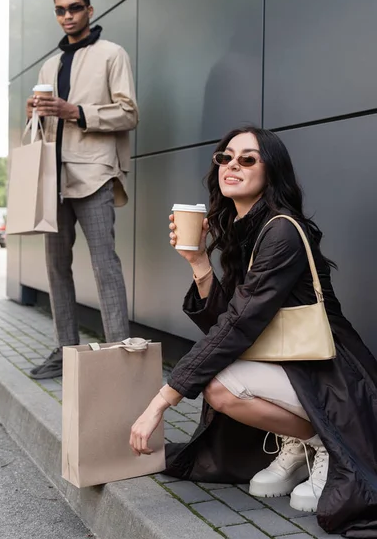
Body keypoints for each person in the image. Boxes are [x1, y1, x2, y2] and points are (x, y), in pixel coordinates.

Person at [130, 126, 377, 537]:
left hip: (331, 371)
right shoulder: (245, 229)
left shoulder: (281, 230)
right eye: (225, 157)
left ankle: (328, 443)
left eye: (247, 159)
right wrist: (196, 261)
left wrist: (161, 401)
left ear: (271, 171)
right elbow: (227, 322)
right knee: (222, 382)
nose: (232, 165)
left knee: (219, 383)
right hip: (290, 364)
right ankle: (303, 442)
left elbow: (237, 324)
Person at [26, 0, 138, 379]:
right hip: (54, 178)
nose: (67, 15)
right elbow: (44, 124)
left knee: (105, 265)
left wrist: (74, 110)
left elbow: (129, 113)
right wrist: (35, 112)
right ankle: (64, 350)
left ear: (89, 10)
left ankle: (120, 356)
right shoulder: (49, 65)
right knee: (56, 268)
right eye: (60, 10)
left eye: (74, 8)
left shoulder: (113, 54)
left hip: (94, 174)